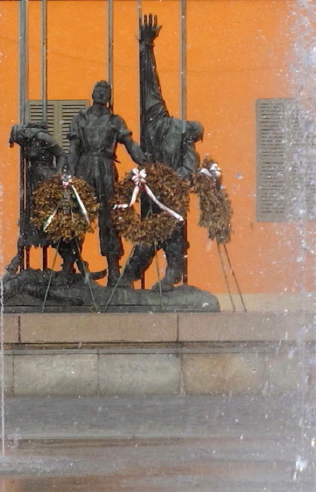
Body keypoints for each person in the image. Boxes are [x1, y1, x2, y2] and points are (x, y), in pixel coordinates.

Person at [117, 16, 205, 289]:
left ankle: (144, 276)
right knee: (156, 233)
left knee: (164, 232)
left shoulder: (160, 121)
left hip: (162, 194)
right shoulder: (170, 128)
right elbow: (188, 170)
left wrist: (146, 47)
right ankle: (139, 276)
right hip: (158, 193)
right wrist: (146, 47)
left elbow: (149, 87)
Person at [65, 80, 144, 282]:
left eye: (105, 92)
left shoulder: (115, 121)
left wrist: (144, 161)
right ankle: (68, 266)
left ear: (108, 97)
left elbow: (129, 144)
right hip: (85, 166)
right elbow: (73, 149)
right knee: (79, 215)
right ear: (92, 94)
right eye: (98, 91)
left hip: (106, 168)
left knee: (109, 218)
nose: (101, 94)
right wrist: (71, 175)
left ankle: (113, 269)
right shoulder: (80, 119)